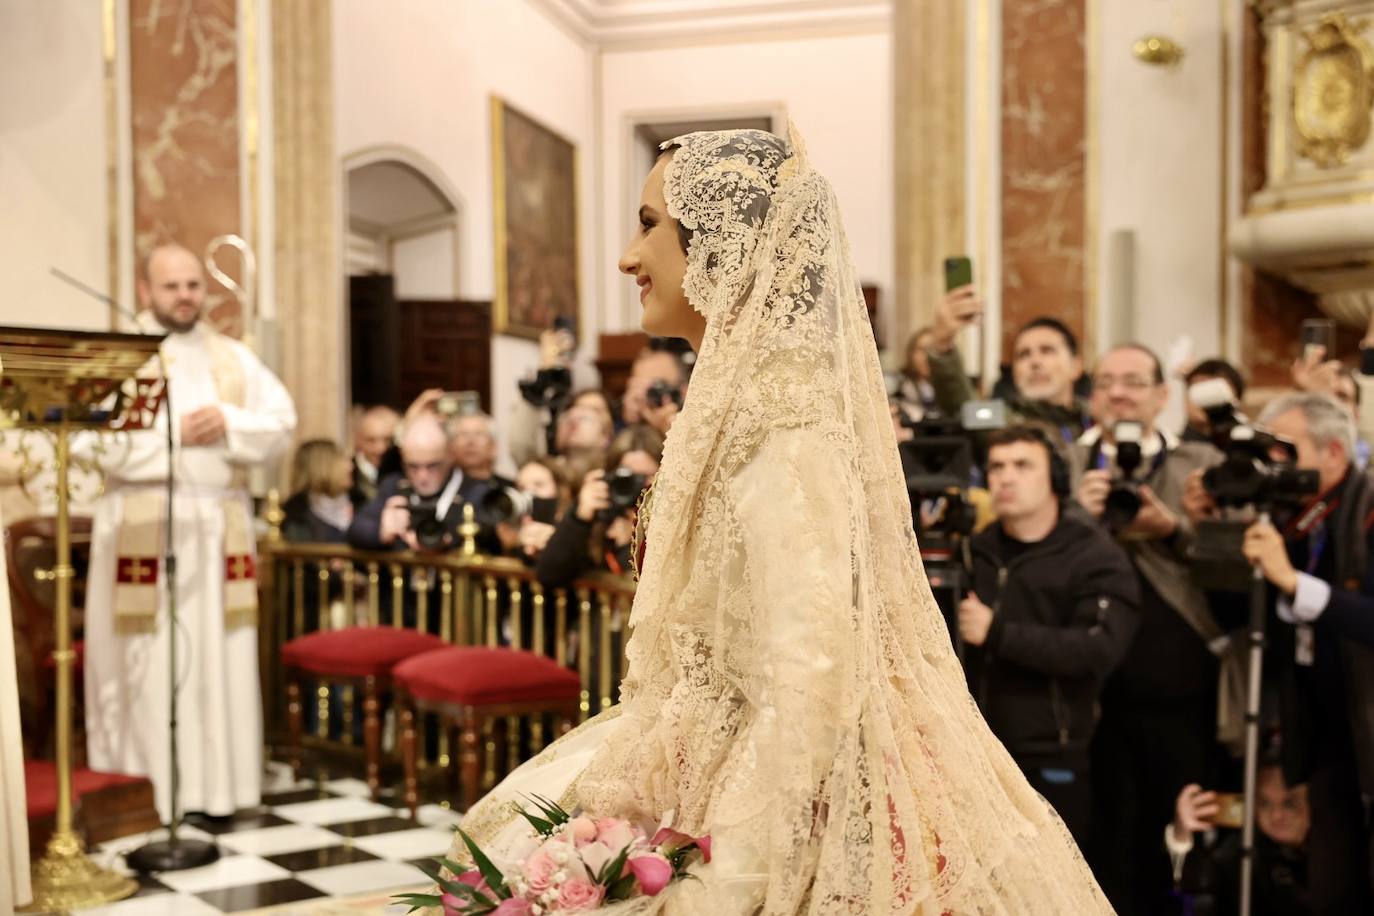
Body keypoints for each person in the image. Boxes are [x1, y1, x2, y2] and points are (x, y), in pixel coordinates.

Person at [446, 128, 1111, 913]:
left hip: (773, 784)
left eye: (650, 223)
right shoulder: (735, 396)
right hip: (697, 751)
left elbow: (811, 678)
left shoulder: (782, 419)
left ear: (723, 245)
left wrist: (732, 880)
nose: (628, 256)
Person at [79, 243, 296, 821]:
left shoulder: (234, 357)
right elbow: (83, 436)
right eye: (171, 285)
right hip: (141, 523)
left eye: (193, 285)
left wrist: (229, 421)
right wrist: (173, 437)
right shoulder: (117, 355)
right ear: (145, 291)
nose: (185, 296)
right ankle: (143, 791)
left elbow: (281, 423)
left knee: (216, 659)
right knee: (147, 660)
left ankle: (218, 790)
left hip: (217, 527)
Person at [1067, 343, 1229, 916]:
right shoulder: (1061, 465)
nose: (1118, 393)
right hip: (1088, 695)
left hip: (1182, 690)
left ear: (1163, 396)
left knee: (1177, 834)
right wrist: (1080, 522)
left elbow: (1237, 570)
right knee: (1098, 840)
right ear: (1090, 397)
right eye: (1106, 381)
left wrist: (1173, 528)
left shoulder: (1201, 462)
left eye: (1134, 381)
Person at [959, 426, 1139, 847]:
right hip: (974, 752)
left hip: (1050, 758)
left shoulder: (1095, 556)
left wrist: (998, 633)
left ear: (1055, 478)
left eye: (1022, 465)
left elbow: (1097, 647)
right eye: (996, 467)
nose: (1006, 477)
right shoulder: (972, 551)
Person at [1229, 392, 1374, 913]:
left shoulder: (1366, 507)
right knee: (1330, 891)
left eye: (1287, 452)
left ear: (1334, 452)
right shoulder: (1293, 521)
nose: (1275, 467)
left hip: (1368, 728)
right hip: (1328, 739)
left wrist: (1291, 582)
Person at [927, 285, 1091, 445]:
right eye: (1023, 354)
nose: (1034, 362)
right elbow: (962, 405)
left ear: (1076, 366)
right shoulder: (1004, 424)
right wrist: (942, 345)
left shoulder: (1094, 422)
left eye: (1047, 350)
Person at [1166, 760, 1312, 916]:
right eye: (1264, 803)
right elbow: (1194, 881)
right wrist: (1181, 832)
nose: (1276, 816)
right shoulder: (1240, 854)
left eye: (1290, 804)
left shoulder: (1334, 854)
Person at [535, 425, 663, 588]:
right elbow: (549, 575)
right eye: (628, 477)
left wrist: (630, 544)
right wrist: (579, 518)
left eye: (646, 477)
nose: (638, 487)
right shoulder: (602, 516)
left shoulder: (670, 524)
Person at [283, 439, 353, 544]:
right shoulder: (298, 511)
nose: (350, 467)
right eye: (342, 460)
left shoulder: (357, 500)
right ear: (323, 467)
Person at [1181, 358, 1245, 444]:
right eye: (1199, 390)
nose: (1206, 399)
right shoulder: (1171, 449)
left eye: (1215, 392)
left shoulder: (1250, 445)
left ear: (1235, 400)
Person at [350, 405, 400, 507]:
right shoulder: (346, 475)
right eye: (371, 440)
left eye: (388, 440)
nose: (380, 449)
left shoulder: (403, 472)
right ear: (358, 440)